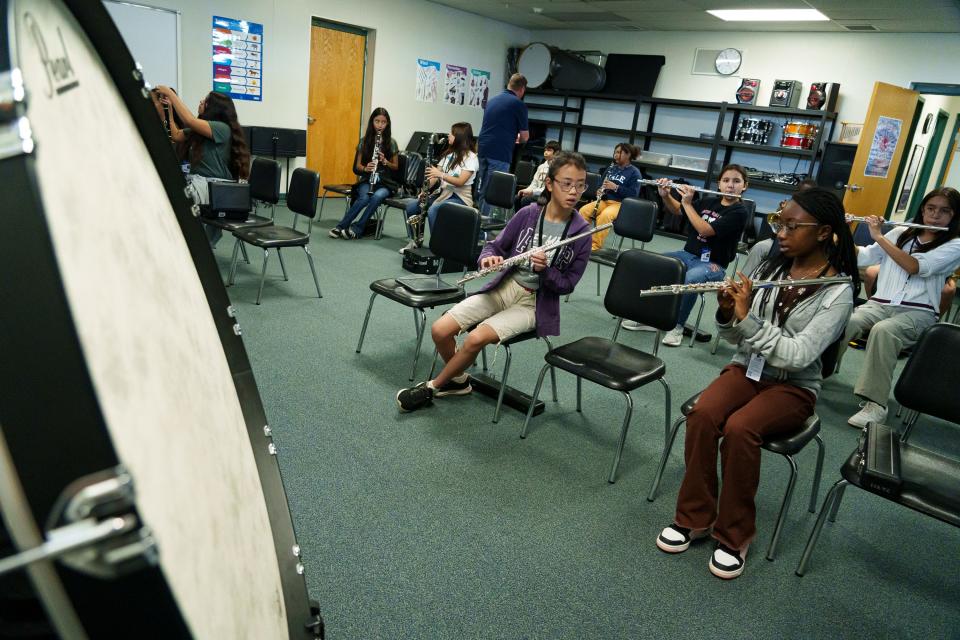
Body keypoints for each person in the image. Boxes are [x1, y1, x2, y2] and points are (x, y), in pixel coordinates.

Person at [656, 187, 858, 580]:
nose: (781, 232)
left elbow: (799, 356)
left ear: (823, 232)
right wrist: (728, 312)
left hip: (794, 387)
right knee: (702, 415)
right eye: (779, 222)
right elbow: (734, 338)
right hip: (748, 368)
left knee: (740, 428)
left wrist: (747, 319)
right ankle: (694, 517)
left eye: (792, 226)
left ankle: (734, 534)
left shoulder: (838, 293)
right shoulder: (768, 262)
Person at [396, 152, 593, 413]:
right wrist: (489, 259)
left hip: (534, 304)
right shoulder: (529, 214)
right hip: (504, 288)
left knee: (475, 338)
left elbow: (567, 285)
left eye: (580, 185)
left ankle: (433, 386)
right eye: (566, 183)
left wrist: (545, 271)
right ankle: (458, 380)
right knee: (440, 330)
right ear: (549, 183)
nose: (574, 191)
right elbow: (494, 246)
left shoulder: (581, 233)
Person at [841, 187, 960, 428]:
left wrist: (879, 236)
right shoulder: (901, 233)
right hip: (880, 303)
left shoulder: (955, 244)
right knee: (846, 320)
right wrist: (843, 228)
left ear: (954, 216)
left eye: (944, 211)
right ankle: (815, 376)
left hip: (919, 312)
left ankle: (876, 405)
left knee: (885, 331)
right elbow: (863, 257)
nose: (935, 216)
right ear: (923, 210)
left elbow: (915, 266)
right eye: (930, 209)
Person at [656, 164, 751, 346]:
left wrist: (687, 203)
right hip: (687, 254)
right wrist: (666, 195)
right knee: (657, 263)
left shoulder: (739, 212)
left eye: (736, 181)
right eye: (726, 180)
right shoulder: (709, 202)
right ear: (719, 184)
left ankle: (677, 327)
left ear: (744, 186)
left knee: (692, 278)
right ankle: (653, 319)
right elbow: (677, 210)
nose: (730, 185)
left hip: (714, 264)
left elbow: (705, 230)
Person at [155, 86, 250, 247]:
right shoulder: (202, 129)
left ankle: (180, 244)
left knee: (172, 203)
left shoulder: (222, 128)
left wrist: (170, 93)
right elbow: (176, 135)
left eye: (205, 101)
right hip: (203, 184)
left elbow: (189, 120)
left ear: (214, 108)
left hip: (213, 187)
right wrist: (169, 110)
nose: (201, 101)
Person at [401, 122, 478, 252]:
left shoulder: (471, 157)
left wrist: (441, 175)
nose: (449, 135)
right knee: (412, 207)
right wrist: (424, 190)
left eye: (452, 134)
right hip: (443, 194)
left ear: (459, 137)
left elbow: (460, 182)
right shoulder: (449, 155)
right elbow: (434, 176)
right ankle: (414, 241)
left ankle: (438, 246)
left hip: (460, 198)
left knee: (434, 210)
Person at [329, 108, 399, 240]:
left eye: (383, 122)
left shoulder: (392, 142)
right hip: (367, 180)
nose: (380, 125)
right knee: (364, 198)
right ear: (372, 122)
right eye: (377, 121)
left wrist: (385, 161)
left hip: (385, 183)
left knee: (377, 197)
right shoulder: (364, 141)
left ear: (387, 124)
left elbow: (396, 167)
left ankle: (357, 229)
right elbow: (356, 167)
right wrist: (366, 168)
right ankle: (341, 226)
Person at [476, 73, 529, 215]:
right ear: (522, 89)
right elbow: (524, 137)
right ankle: (482, 229)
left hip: (482, 148)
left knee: (482, 189)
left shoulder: (492, 100)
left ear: (509, 84)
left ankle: (477, 220)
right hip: (499, 152)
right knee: (492, 191)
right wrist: (518, 138)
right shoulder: (518, 104)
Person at [577, 143, 642, 251]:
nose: (615, 155)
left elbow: (633, 194)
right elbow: (601, 184)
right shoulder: (611, 168)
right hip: (605, 200)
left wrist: (616, 187)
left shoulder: (634, 173)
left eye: (618, 152)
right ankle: (580, 241)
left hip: (621, 204)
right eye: (615, 152)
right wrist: (599, 191)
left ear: (628, 154)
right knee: (584, 210)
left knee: (605, 216)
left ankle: (594, 245)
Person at [515, 141, 560, 210]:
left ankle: (530, 220)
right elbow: (534, 183)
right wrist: (527, 190)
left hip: (547, 196)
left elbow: (548, 188)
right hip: (536, 193)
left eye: (549, 150)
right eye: (545, 150)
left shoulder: (558, 169)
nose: (546, 152)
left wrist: (532, 192)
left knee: (526, 200)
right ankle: (520, 219)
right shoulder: (541, 167)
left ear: (557, 153)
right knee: (518, 198)